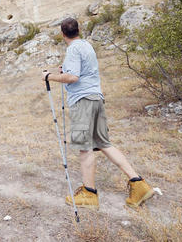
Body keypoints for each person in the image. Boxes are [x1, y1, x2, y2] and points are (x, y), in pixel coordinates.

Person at [41, 17, 154, 209]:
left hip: (83, 102)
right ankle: (138, 183)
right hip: (96, 98)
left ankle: (89, 193)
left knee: (85, 148)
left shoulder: (73, 49)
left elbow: (73, 77)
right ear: (78, 30)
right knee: (103, 144)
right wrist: (64, 70)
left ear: (62, 34)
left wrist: (49, 76)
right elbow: (79, 71)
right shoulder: (86, 46)